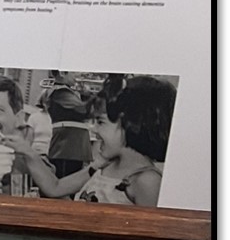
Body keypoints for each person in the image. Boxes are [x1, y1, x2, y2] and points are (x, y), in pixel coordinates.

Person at [39, 76, 175, 207]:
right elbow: (57, 190)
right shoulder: (104, 166)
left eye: (100, 122)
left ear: (131, 125)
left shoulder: (147, 181)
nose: (93, 129)